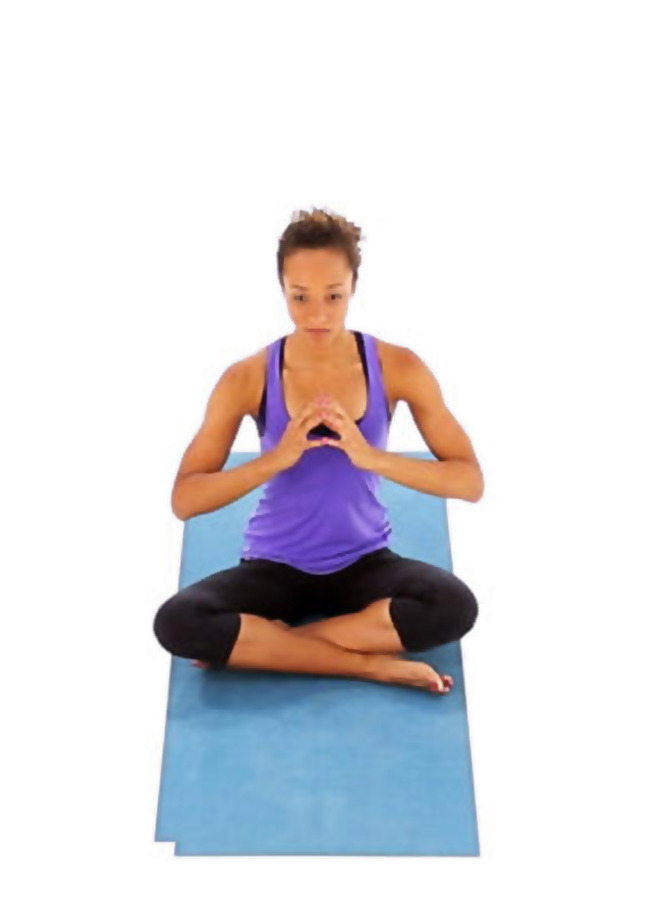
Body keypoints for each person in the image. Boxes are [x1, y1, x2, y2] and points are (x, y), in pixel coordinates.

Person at [153, 207, 483, 695]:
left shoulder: (397, 366)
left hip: (364, 562)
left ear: (354, 287)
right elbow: (185, 499)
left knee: (453, 606)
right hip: (274, 567)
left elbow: (469, 481)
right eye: (300, 297)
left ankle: (269, 647)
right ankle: (373, 666)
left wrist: (372, 457)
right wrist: (276, 458)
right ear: (282, 289)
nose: (318, 314)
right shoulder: (247, 377)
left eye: (334, 295)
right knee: (178, 621)